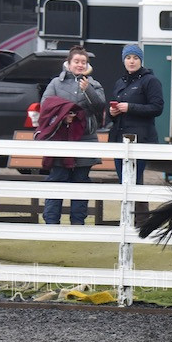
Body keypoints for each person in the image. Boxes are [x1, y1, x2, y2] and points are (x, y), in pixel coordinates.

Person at [40, 46, 107, 225]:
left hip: (86, 141)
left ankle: (78, 225)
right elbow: (45, 107)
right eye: (76, 61)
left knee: (80, 183)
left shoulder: (94, 84)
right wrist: (63, 116)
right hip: (60, 142)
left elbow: (100, 108)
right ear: (68, 64)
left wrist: (88, 90)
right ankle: (51, 224)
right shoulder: (55, 84)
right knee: (57, 181)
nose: (79, 65)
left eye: (83, 62)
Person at [107, 44, 164, 185]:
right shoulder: (120, 83)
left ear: (141, 60)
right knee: (124, 183)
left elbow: (157, 108)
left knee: (133, 183)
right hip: (119, 139)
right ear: (123, 60)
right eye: (128, 57)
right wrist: (112, 113)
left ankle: (136, 208)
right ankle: (132, 207)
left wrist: (130, 107)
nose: (131, 61)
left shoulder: (151, 81)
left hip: (140, 139)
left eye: (135, 58)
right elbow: (113, 115)